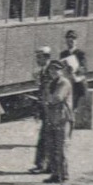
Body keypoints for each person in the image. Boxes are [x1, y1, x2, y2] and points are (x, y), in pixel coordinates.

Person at [41, 59, 75, 185]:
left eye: (56, 69)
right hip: (51, 118)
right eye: (51, 69)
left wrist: (47, 98)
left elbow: (57, 98)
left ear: (61, 71)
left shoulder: (64, 83)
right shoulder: (51, 83)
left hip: (63, 119)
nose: (53, 72)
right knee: (51, 147)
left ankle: (64, 177)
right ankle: (55, 174)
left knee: (61, 149)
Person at [29, 46, 53, 174]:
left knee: (46, 138)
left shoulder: (50, 71)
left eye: (39, 57)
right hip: (45, 109)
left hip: (49, 109)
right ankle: (44, 165)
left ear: (46, 57)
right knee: (44, 137)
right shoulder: (43, 71)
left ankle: (43, 165)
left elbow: (47, 92)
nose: (37, 60)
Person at [59, 29, 89, 107]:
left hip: (78, 84)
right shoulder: (63, 54)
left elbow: (84, 68)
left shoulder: (81, 53)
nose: (71, 40)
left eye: (73, 39)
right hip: (68, 84)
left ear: (76, 41)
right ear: (66, 41)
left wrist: (75, 69)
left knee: (77, 107)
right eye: (69, 39)